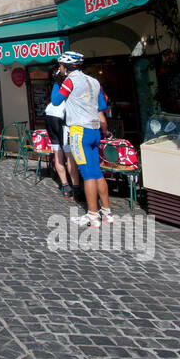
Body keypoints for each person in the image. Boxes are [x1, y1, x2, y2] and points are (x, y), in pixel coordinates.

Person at [52, 51, 112, 229]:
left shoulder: (69, 81)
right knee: (97, 172)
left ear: (66, 67)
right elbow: (102, 105)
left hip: (79, 130)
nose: (60, 69)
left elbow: (56, 100)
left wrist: (57, 82)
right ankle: (107, 213)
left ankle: (92, 215)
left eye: (61, 66)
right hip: (94, 129)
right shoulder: (94, 81)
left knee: (87, 174)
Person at [44, 66, 78, 200]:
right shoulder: (71, 83)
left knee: (58, 153)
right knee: (69, 155)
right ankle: (75, 187)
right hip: (61, 119)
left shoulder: (57, 84)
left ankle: (65, 186)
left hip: (49, 115)